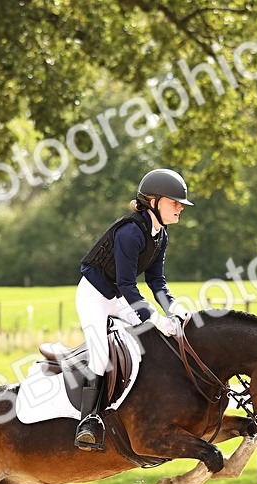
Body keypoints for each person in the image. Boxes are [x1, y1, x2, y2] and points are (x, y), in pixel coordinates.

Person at [70, 168, 194, 451]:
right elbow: (127, 284)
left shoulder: (160, 236)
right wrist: (154, 318)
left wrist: (174, 308)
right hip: (95, 295)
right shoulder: (129, 233)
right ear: (153, 200)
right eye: (174, 202)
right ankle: (87, 422)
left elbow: (156, 281)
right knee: (101, 357)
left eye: (180, 204)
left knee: (162, 339)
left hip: (118, 296)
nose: (180, 208)